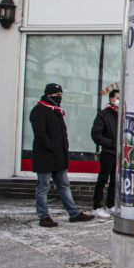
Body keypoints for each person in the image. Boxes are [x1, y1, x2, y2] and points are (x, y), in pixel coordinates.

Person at [30, 83, 94, 227]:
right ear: (48, 95)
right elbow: (41, 134)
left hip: (59, 157)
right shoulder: (39, 110)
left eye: (60, 95)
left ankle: (74, 213)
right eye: (56, 96)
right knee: (43, 187)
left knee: (64, 185)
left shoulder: (56, 111)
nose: (59, 98)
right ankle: (44, 216)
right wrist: (52, 147)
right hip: (45, 157)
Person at [90, 89, 119, 218]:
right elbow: (96, 134)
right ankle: (96, 206)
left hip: (118, 154)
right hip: (108, 152)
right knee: (103, 179)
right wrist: (112, 143)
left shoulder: (120, 113)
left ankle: (110, 205)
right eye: (117, 97)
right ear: (111, 99)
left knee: (114, 179)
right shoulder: (104, 114)